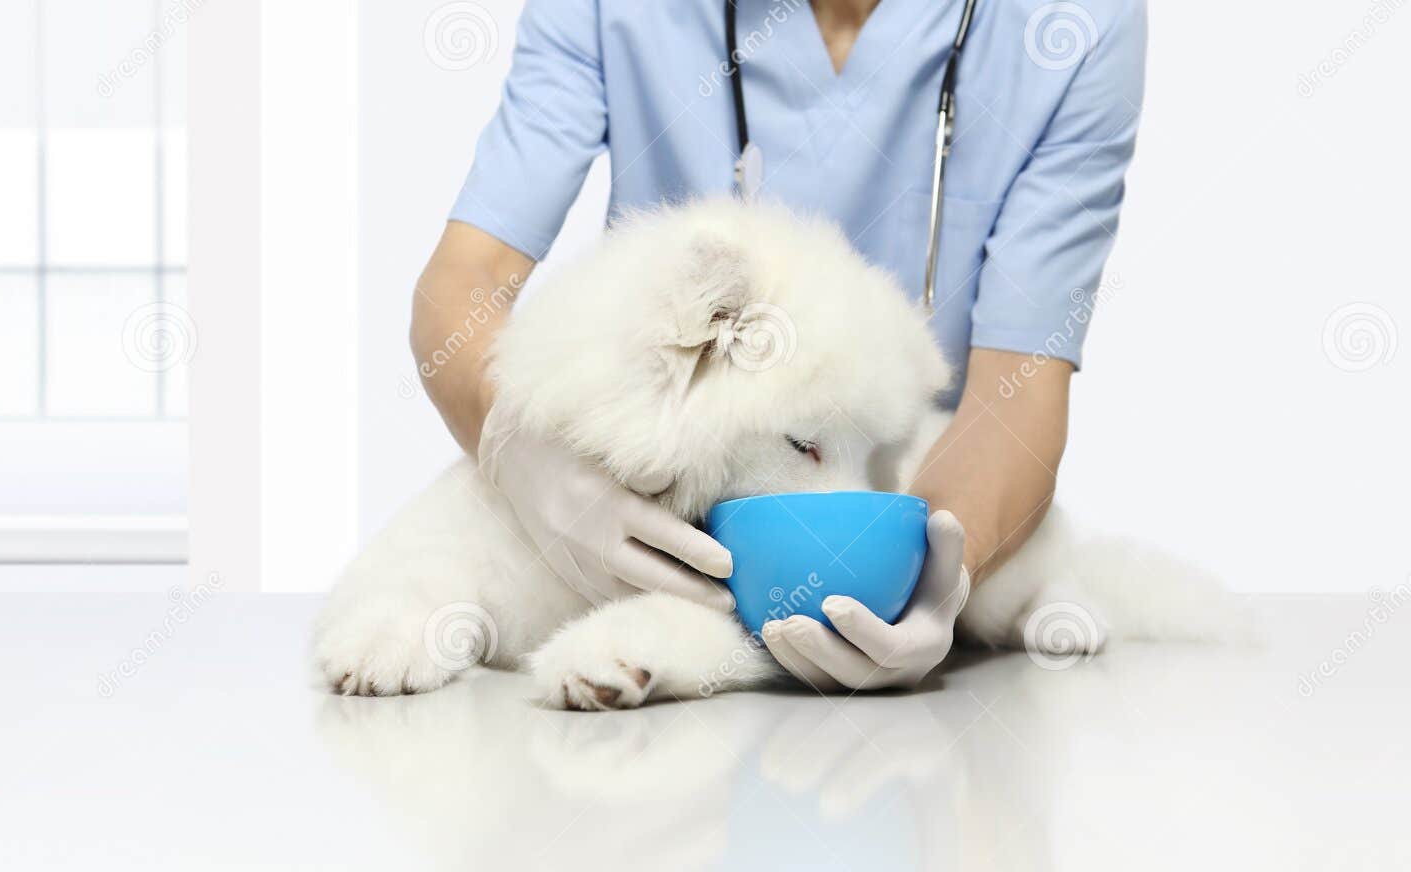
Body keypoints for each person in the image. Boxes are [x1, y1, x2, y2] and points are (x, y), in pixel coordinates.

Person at [411, 0, 1146, 688]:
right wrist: (513, 435)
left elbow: (1018, 390)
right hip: (640, 496)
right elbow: (465, 277)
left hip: (909, 488)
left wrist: (944, 575)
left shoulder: (1073, 23)